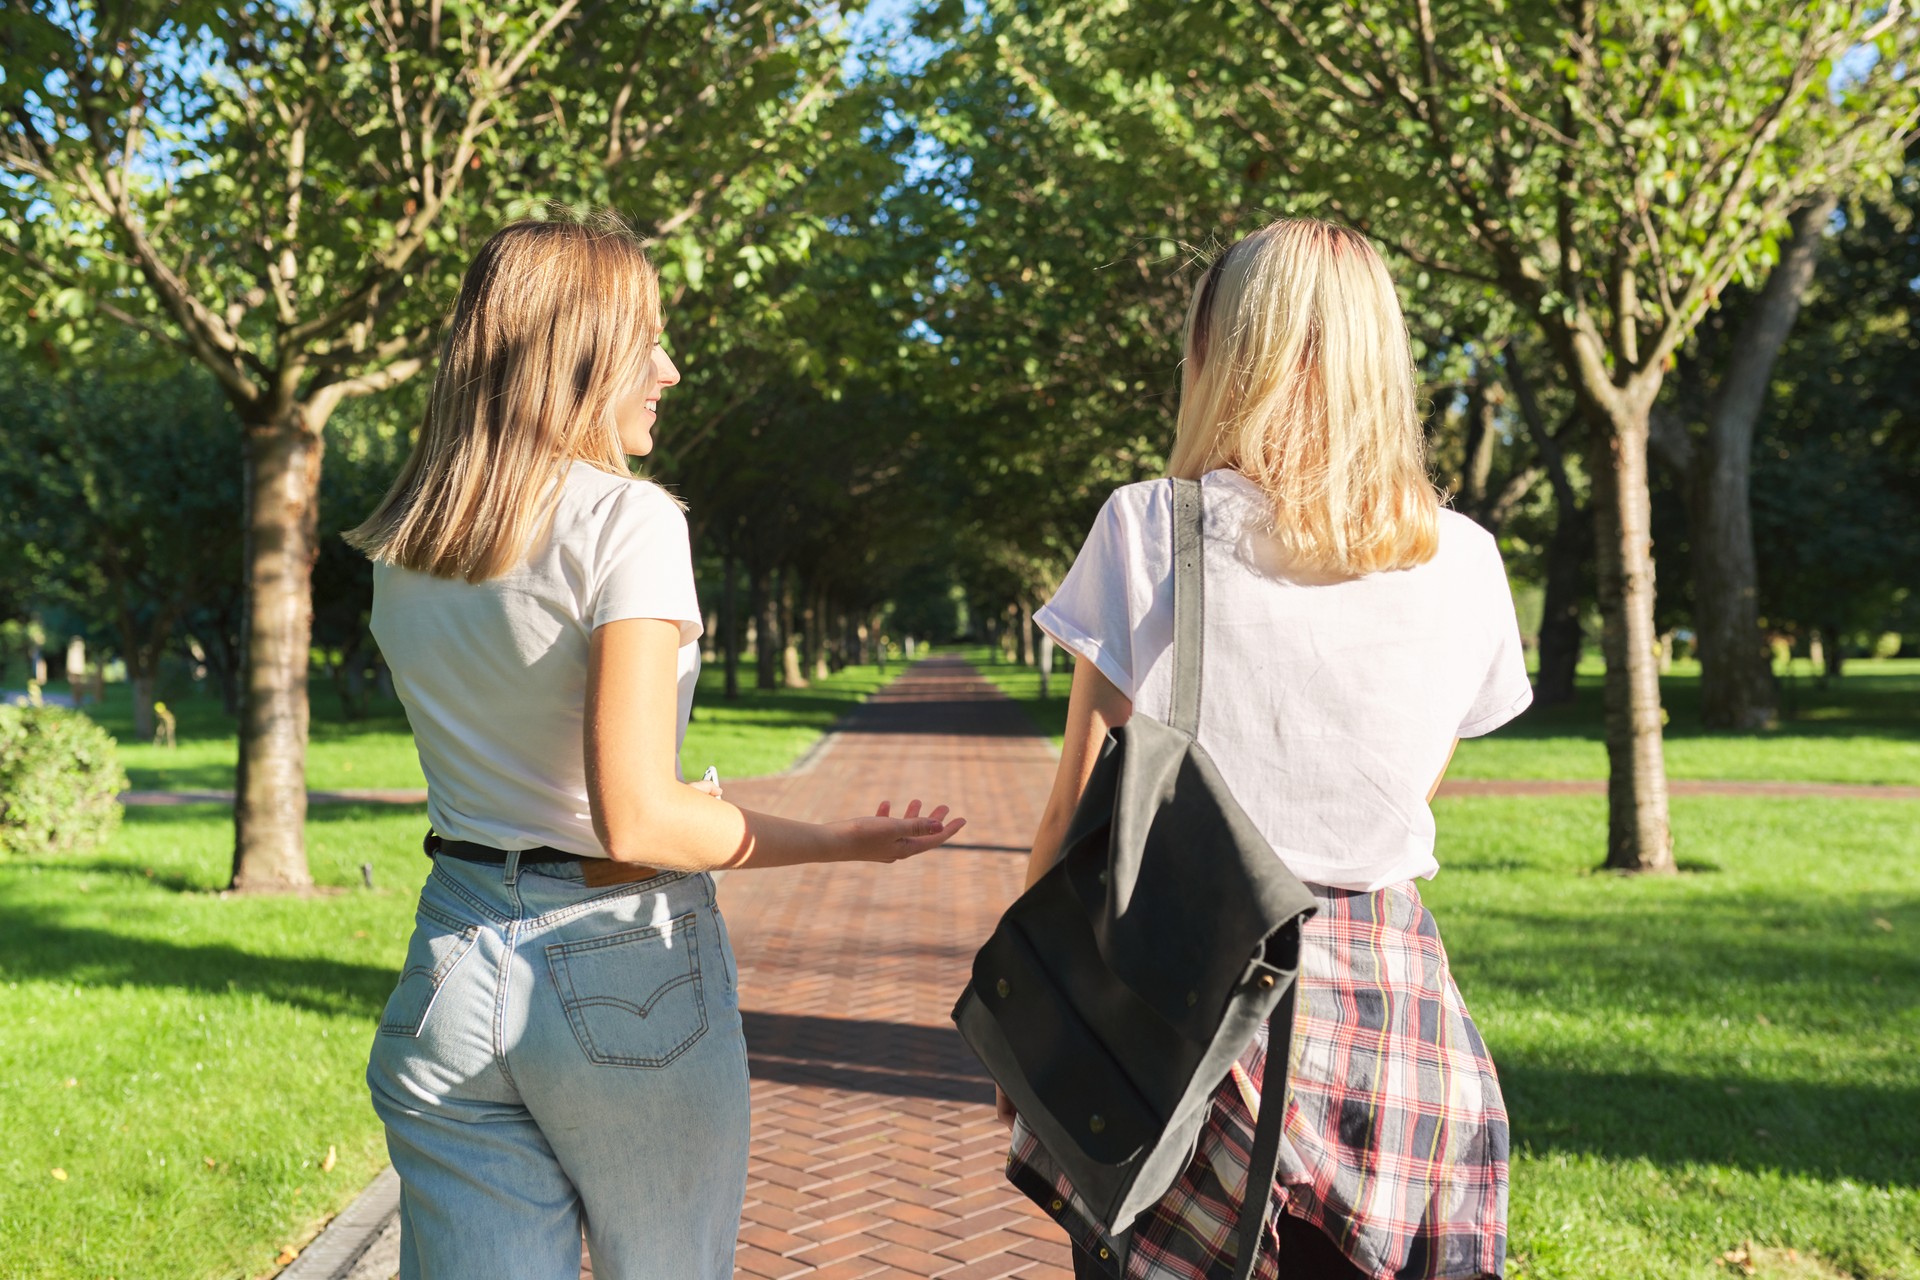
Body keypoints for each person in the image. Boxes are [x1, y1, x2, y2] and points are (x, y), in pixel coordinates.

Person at [349, 214, 965, 1280]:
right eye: (649, 342)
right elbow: (637, 814)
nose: (669, 372)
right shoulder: (628, 522)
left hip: (452, 951)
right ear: (578, 355)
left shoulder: (409, 542)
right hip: (619, 961)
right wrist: (842, 842)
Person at [1002, 218, 1529, 1280]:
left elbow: (1077, 808)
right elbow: (1412, 782)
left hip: (1185, 1010)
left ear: (1223, 351)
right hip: (1400, 1024)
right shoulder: (1465, 560)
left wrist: (1036, 1012)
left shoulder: (1153, 527)